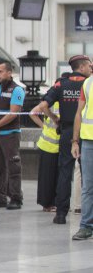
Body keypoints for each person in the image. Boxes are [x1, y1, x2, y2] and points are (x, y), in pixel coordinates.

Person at [31, 54, 92, 225]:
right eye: (89, 66)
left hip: (66, 133)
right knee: (87, 175)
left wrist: (53, 118)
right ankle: (88, 216)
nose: (90, 68)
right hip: (85, 134)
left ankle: (60, 214)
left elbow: (42, 106)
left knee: (65, 172)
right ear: (81, 67)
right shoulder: (87, 83)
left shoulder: (60, 84)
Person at [0, 60, 25, 210]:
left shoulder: (16, 90)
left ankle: (16, 198)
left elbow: (13, 113)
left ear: (9, 72)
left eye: (0, 71)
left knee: (13, 166)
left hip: (10, 134)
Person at [70, 72, 93, 240]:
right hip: (88, 142)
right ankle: (86, 226)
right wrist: (75, 141)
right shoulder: (87, 83)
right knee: (88, 187)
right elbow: (79, 112)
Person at [31, 102, 60, 212]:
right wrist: (44, 127)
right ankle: (47, 204)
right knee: (47, 177)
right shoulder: (51, 102)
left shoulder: (59, 101)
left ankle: (55, 203)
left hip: (59, 145)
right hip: (48, 144)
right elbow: (33, 113)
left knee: (57, 176)